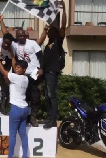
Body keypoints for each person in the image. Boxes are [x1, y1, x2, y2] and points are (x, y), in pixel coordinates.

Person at [0, 47, 29, 158]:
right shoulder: (25, 78)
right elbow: (15, 68)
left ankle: (10, 157)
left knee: (13, 134)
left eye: (18, 67)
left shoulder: (15, 77)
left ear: (23, 69)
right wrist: (12, 55)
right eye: (16, 67)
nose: (16, 68)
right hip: (25, 109)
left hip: (16, 109)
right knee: (23, 135)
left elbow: (2, 70)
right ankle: (25, 157)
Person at [42, 0, 67, 128]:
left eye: (51, 29)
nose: (49, 30)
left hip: (52, 73)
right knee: (47, 96)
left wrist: (64, 10)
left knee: (52, 95)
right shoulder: (48, 44)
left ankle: (53, 120)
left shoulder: (58, 41)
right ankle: (49, 117)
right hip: (46, 73)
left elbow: (63, 26)